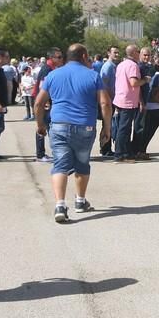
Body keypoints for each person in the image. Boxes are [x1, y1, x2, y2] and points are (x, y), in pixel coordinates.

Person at [34, 44, 112, 223]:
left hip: (59, 125)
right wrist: (107, 128)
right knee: (82, 163)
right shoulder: (93, 76)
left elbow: (39, 103)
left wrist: (40, 124)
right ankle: (80, 201)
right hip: (85, 126)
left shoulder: (53, 75)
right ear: (84, 56)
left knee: (60, 164)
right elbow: (105, 104)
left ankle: (60, 205)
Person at [113, 45, 150, 163]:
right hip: (127, 101)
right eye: (138, 51)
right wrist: (145, 80)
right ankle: (119, 154)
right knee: (124, 129)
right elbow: (134, 82)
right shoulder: (133, 66)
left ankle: (126, 152)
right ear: (134, 53)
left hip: (120, 99)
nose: (139, 53)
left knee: (124, 128)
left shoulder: (121, 64)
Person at [33, 48, 64, 163]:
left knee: (50, 127)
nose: (61, 59)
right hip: (43, 103)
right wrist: (45, 102)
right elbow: (42, 86)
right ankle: (40, 154)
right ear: (52, 58)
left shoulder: (52, 68)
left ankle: (55, 152)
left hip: (47, 102)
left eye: (62, 56)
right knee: (42, 126)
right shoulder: (47, 69)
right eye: (59, 57)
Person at [133, 47, 155, 159]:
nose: (147, 57)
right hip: (140, 101)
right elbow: (138, 87)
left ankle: (139, 150)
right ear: (140, 55)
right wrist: (141, 101)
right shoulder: (139, 67)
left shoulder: (148, 67)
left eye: (148, 55)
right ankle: (137, 151)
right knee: (139, 126)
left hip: (146, 101)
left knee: (143, 126)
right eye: (145, 55)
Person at [98, 46, 120, 157]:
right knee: (107, 125)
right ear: (108, 53)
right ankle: (105, 148)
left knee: (109, 125)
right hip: (108, 100)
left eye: (117, 53)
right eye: (114, 52)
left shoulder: (113, 66)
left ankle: (106, 148)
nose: (116, 55)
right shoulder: (107, 67)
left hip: (112, 100)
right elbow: (103, 84)